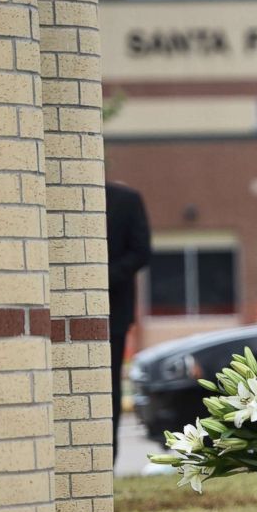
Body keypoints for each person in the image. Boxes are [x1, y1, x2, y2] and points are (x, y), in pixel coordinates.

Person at [106, 181, 152, 461]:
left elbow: (141, 252)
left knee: (109, 386)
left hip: (114, 312)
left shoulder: (127, 199)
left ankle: (107, 461)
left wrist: (101, 277)